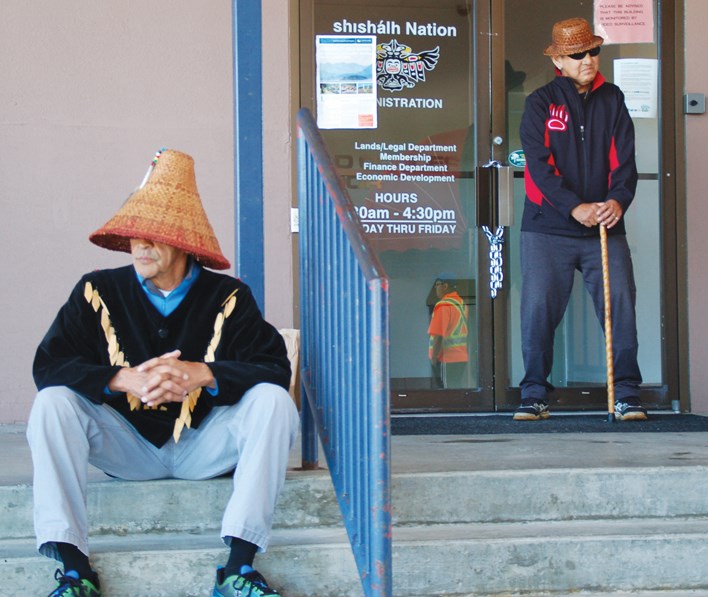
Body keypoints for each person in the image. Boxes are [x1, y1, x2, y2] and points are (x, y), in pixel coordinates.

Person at [27, 148, 300, 597]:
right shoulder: (97, 289)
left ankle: (238, 569)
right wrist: (122, 378)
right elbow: (49, 364)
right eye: (133, 234)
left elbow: (272, 365)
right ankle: (76, 572)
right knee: (53, 402)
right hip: (126, 446)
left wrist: (202, 373)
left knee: (273, 401)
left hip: (203, 446)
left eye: (152, 235)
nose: (139, 245)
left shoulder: (229, 296)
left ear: (183, 241)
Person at [515, 17, 646, 422]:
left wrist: (617, 201)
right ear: (560, 60)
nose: (589, 59)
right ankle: (534, 394)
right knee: (538, 309)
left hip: (605, 226)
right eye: (579, 54)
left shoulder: (614, 98)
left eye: (593, 51)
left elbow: (624, 160)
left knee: (619, 307)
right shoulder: (540, 101)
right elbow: (539, 167)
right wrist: (574, 207)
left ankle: (626, 394)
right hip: (547, 227)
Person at [428, 273, 469, 389]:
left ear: (445, 286)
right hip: (460, 357)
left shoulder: (443, 305)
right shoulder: (461, 303)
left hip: (446, 358)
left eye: (437, 284)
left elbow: (438, 335)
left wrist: (434, 358)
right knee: (455, 390)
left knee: (446, 393)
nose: (435, 288)